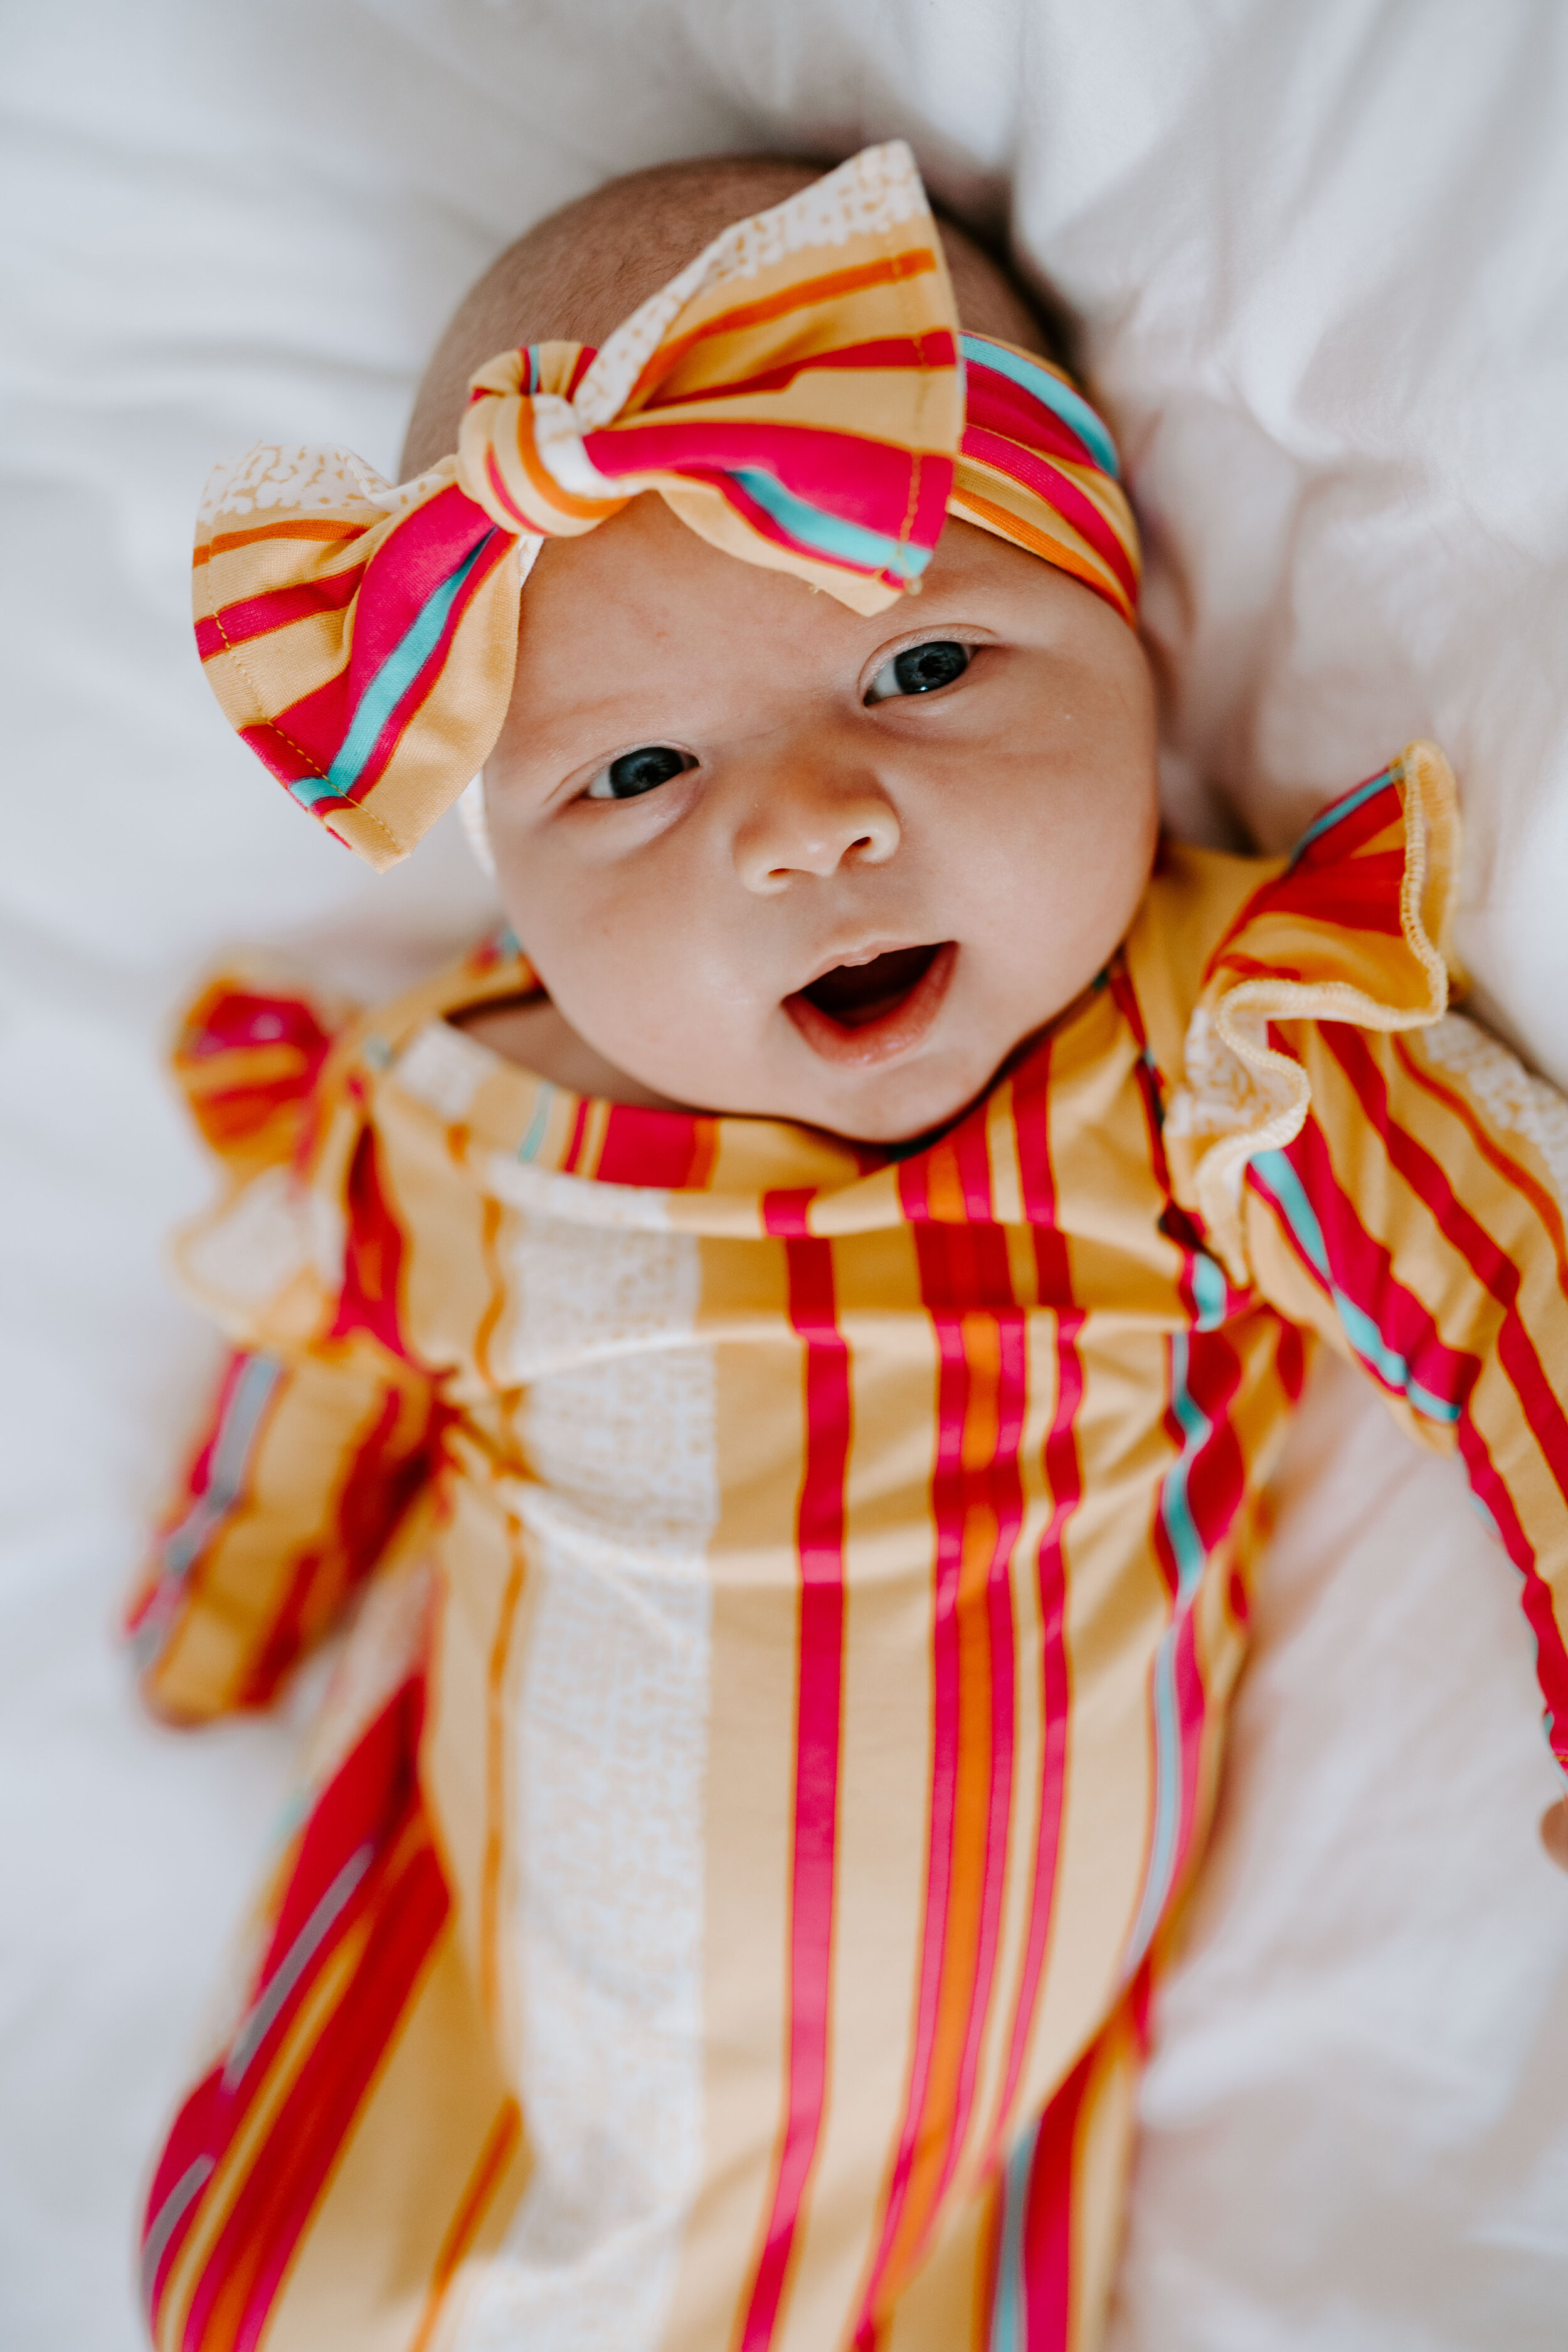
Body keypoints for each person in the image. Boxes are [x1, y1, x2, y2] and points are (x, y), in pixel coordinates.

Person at [130, 145, 1568, 2352]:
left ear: (1141, 649)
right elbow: (318, 1354)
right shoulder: (449, 1120)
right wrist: (233, 1585)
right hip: (475, 2066)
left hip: (929, 2173)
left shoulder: (1193, 1061)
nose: (808, 821)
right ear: (504, 872)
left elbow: (1498, 1286)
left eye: (919, 662)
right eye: (631, 778)